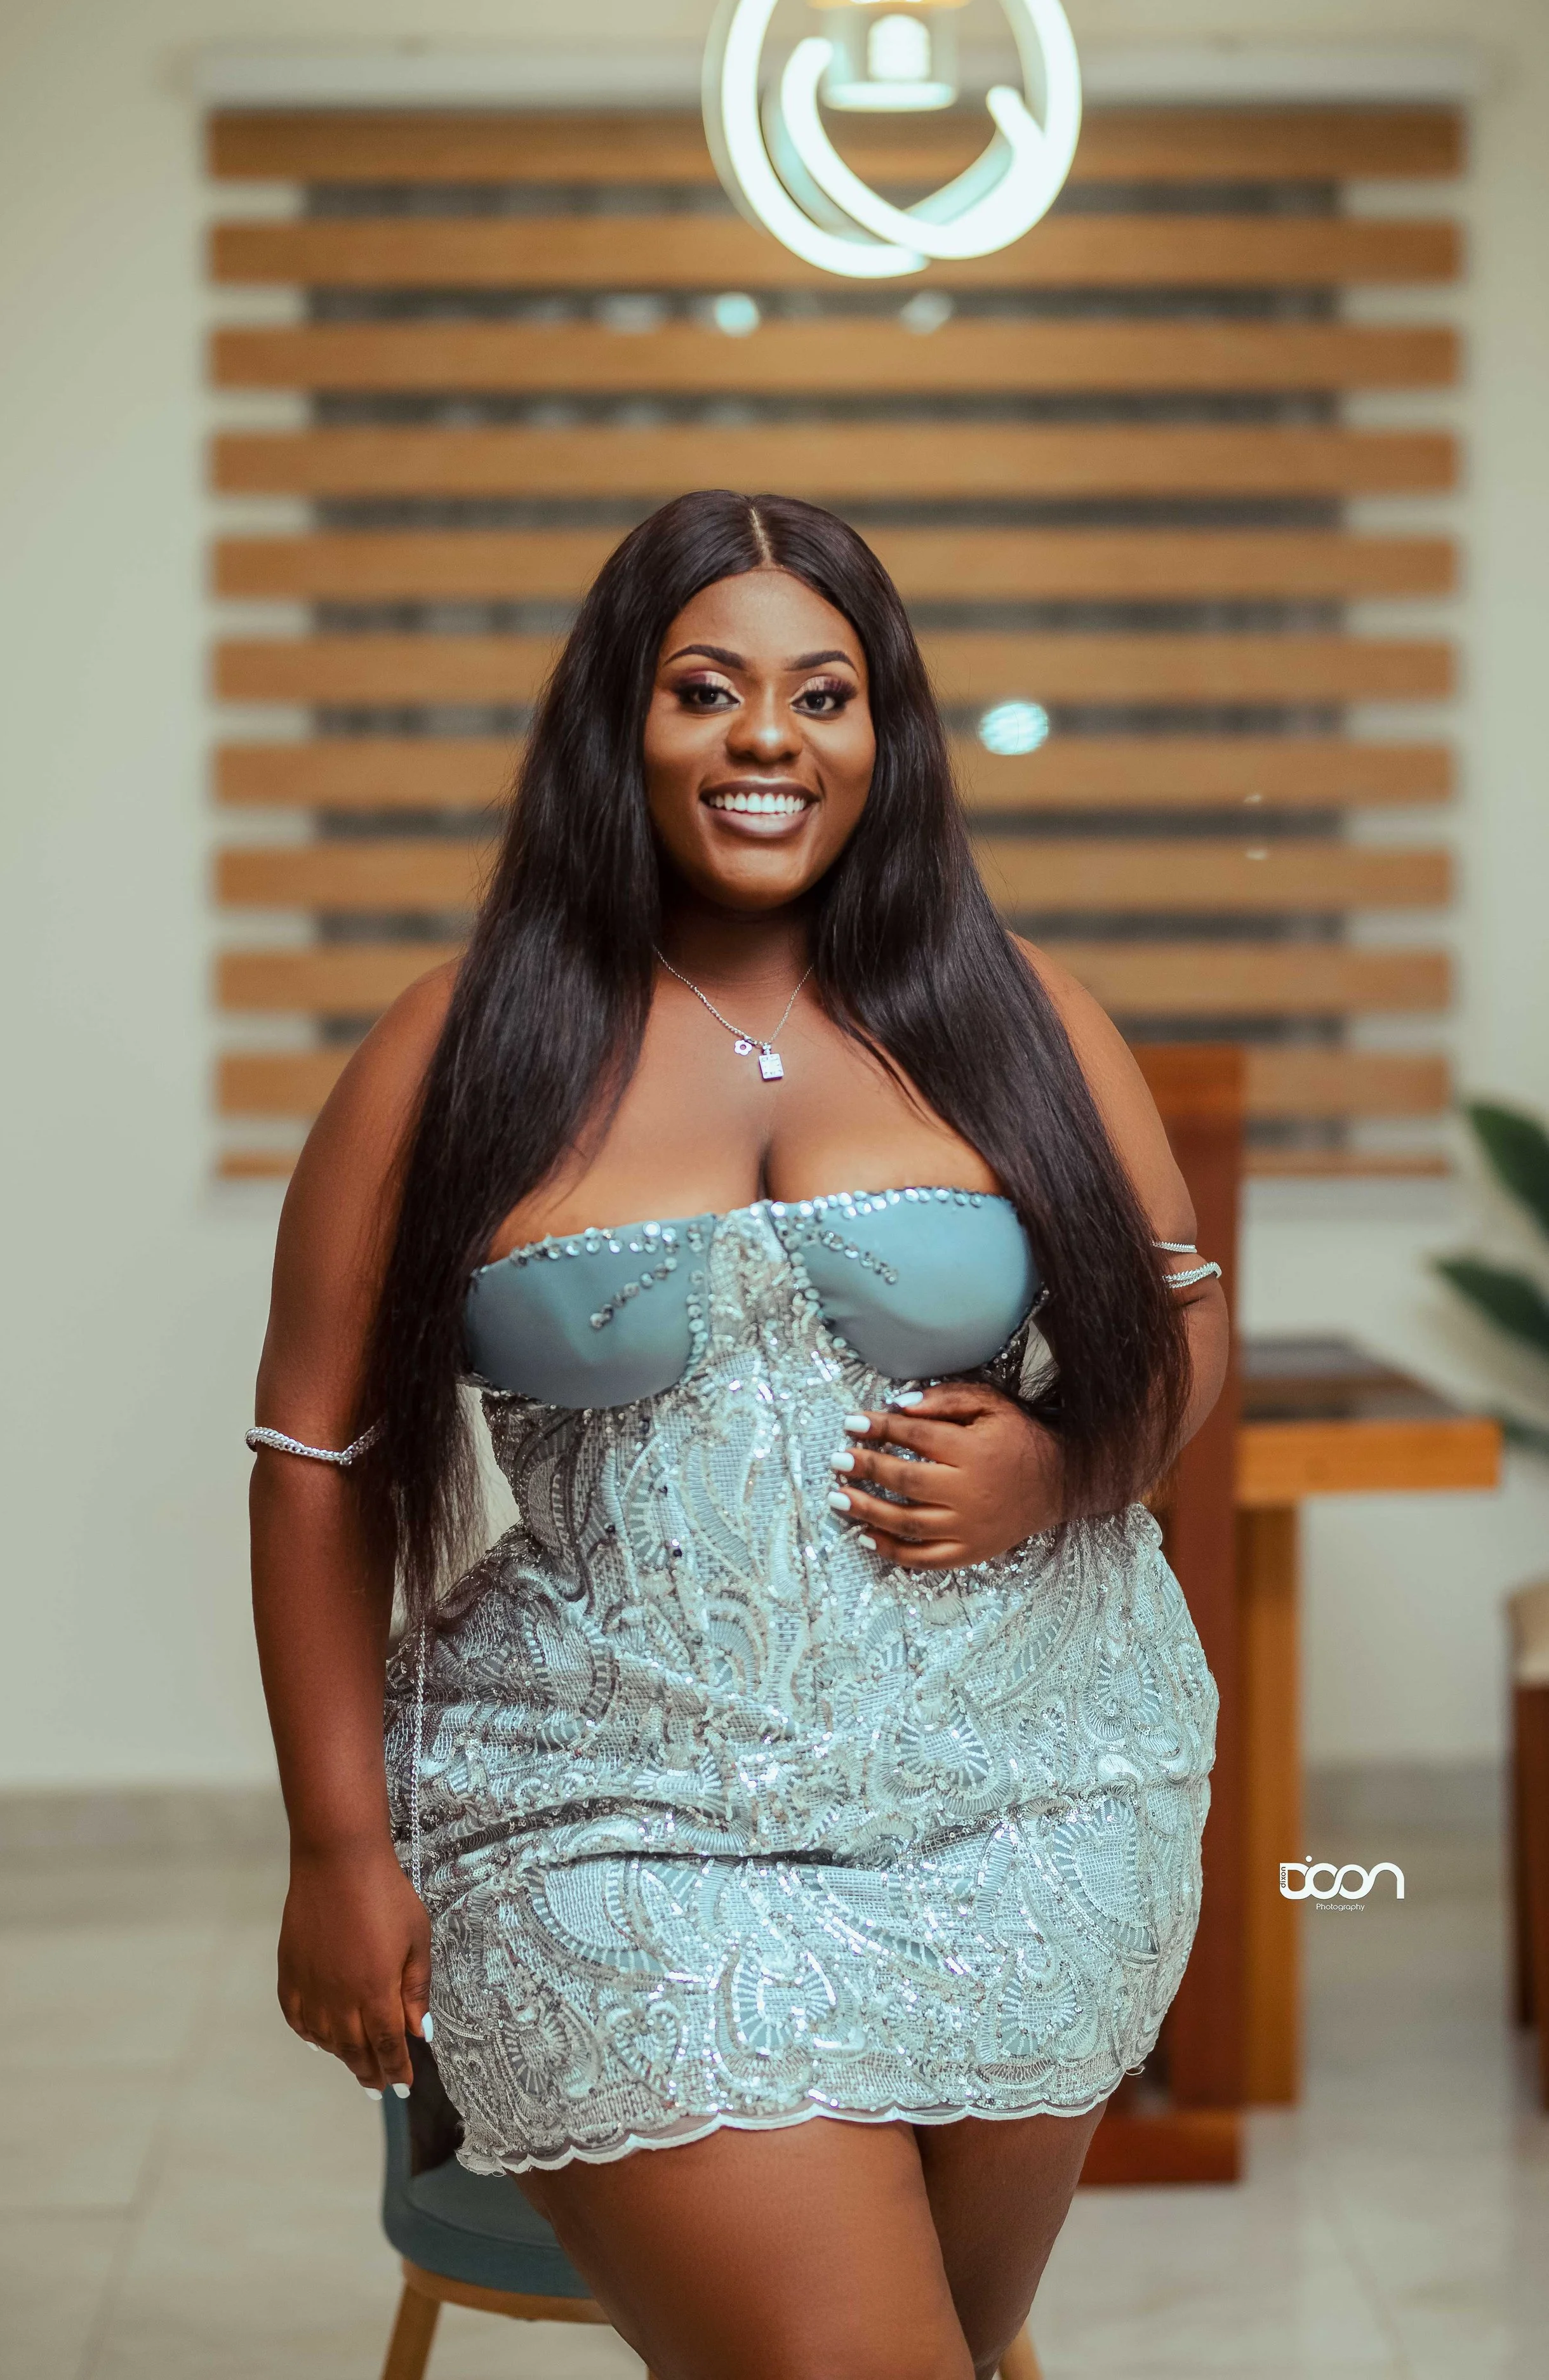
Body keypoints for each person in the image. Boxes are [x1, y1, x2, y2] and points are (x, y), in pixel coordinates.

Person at [249, 489, 1225, 2380]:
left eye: (822, 694)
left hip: (1037, 1792)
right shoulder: (456, 1049)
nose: (766, 737)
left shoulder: (1015, 1011)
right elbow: (315, 1465)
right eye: (705, 689)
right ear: (616, 719)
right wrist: (336, 1841)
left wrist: (1059, 1467)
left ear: (884, 732)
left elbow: (1182, 1318)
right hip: (617, 1816)